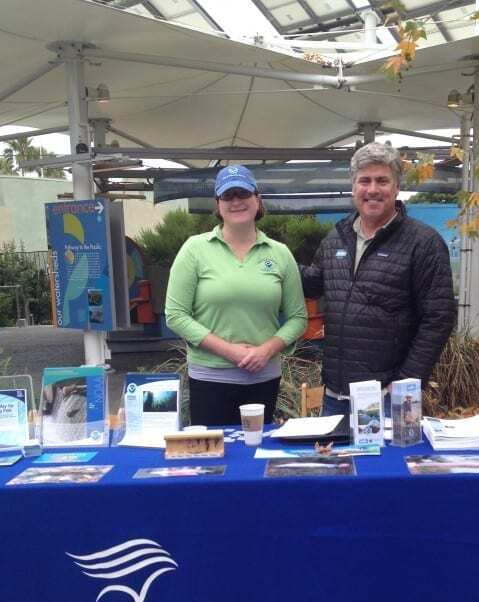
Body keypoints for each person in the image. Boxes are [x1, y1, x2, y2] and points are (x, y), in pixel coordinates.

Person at [300, 141, 455, 416]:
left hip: (385, 395)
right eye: (365, 181)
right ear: (353, 187)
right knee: (335, 460)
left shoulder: (423, 243)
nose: (372, 190)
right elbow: (313, 283)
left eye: (382, 181)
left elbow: (439, 317)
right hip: (335, 394)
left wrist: (406, 382)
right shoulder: (337, 237)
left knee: (384, 460)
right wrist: (270, 262)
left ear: (397, 188)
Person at [165, 165, 307, 425]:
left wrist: (266, 350)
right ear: (217, 204)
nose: (236, 201)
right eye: (228, 196)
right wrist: (230, 352)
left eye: (243, 193)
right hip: (210, 378)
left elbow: (298, 318)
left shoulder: (280, 253)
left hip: (264, 377)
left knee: (256, 452)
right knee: (214, 456)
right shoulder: (194, 249)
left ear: (257, 199)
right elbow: (176, 315)